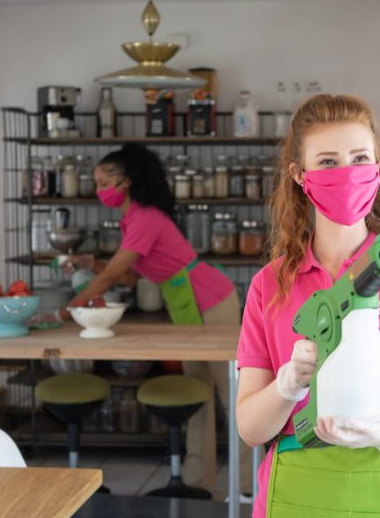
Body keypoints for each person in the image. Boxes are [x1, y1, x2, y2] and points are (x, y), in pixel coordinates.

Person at [236, 94, 380, 517]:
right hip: (299, 488)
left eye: (360, 158)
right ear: (299, 175)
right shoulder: (271, 284)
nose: (348, 173)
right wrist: (288, 386)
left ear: (377, 167)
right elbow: (250, 428)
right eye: (328, 162)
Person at [63, 143, 251, 492]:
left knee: (234, 395)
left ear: (127, 182)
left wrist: (66, 310)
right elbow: (130, 276)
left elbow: (110, 278)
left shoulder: (145, 218)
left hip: (210, 299)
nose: (98, 190)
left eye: (104, 182)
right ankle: (199, 484)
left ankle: (251, 485)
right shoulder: (132, 220)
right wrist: (90, 264)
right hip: (184, 302)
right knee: (198, 395)